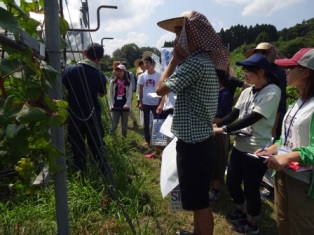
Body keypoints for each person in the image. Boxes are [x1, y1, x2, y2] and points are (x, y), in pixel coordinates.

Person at [156, 11, 229, 235]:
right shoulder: (202, 61)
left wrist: (174, 61)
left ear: (193, 36)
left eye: (180, 34)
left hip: (194, 145)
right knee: (198, 201)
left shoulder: (194, 63)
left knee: (200, 203)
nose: (176, 40)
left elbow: (160, 89)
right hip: (199, 141)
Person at [213, 53, 281, 233]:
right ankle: (242, 210)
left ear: (261, 71)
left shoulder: (273, 91)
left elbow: (253, 117)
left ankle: (252, 224)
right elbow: (234, 114)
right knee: (233, 182)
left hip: (257, 149)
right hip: (239, 145)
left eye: (248, 71)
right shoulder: (246, 91)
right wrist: (216, 124)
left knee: (251, 188)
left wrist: (224, 130)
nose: (244, 75)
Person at [256, 48, 314, 235]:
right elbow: (287, 139)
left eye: (291, 68)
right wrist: (272, 149)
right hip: (283, 175)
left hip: (303, 183)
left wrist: (286, 158)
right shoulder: (296, 102)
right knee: (282, 221)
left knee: (301, 228)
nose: (286, 72)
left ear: (305, 73)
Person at [245, 42, 287, 198]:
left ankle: (271, 187)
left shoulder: (278, 72)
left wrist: (275, 125)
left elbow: (280, 102)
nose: (260, 55)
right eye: (257, 52)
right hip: (259, 116)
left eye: (263, 52)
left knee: (272, 149)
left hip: (273, 116)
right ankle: (264, 182)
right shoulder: (259, 71)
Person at [62, 43, 107, 172]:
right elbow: (102, 94)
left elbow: (62, 90)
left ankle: (80, 174)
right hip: (93, 114)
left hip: (74, 114)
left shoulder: (69, 70)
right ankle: (104, 172)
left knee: (77, 146)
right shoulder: (99, 75)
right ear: (100, 58)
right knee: (97, 145)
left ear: (84, 53)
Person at [209, 69, 233, 201]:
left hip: (219, 133)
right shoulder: (213, 92)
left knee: (218, 160)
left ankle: (216, 190)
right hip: (209, 131)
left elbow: (222, 118)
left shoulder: (225, 94)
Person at [138, 51, 161, 148]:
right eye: (145, 63)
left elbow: (161, 89)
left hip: (156, 102)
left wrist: (160, 103)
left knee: (157, 122)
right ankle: (147, 140)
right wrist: (140, 102)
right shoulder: (142, 76)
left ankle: (157, 141)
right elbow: (140, 90)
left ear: (152, 64)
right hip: (146, 102)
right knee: (146, 122)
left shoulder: (158, 75)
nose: (146, 65)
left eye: (148, 63)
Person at [108, 64, 133, 137]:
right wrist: (111, 105)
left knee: (124, 125)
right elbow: (110, 95)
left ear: (124, 72)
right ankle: (111, 139)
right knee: (113, 125)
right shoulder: (113, 82)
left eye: (121, 70)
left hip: (125, 107)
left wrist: (127, 104)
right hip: (115, 106)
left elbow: (129, 95)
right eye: (117, 70)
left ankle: (124, 138)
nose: (119, 72)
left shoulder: (128, 83)